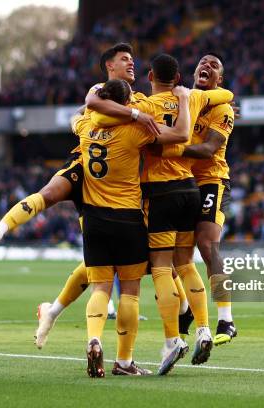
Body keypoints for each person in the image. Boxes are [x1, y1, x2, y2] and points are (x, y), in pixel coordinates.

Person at [0, 43, 158, 349]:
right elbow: (91, 105)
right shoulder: (109, 93)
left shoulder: (109, 103)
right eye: (124, 59)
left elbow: (84, 113)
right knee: (48, 196)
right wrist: (137, 114)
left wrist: (97, 116)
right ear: (109, 66)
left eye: (132, 59)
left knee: (93, 265)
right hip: (92, 173)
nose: (131, 64)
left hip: (102, 177)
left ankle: (52, 312)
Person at [90, 53, 234, 373]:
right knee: (186, 263)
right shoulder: (192, 98)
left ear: (151, 74)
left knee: (161, 268)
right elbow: (226, 94)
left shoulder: (143, 105)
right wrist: (185, 95)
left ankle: (173, 339)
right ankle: (204, 329)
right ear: (179, 77)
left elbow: (101, 108)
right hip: (189, 189)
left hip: (159, 192)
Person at [75, 79, 192, 377]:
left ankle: (93, 338)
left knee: (101, 287)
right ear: (126, 104)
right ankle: (124, 362)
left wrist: (96, 101)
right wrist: (183, 100)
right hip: (128, 217)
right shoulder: (136, 130)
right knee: (130, 292)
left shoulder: (86, 126)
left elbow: (77, 115)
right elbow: (180, 134)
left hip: (93, 218)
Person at [165, 53, 238, 345]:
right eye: (203, 63)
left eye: (214, 65)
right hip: (181, 182)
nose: (206, 66)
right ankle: (185, 308)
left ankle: (226, 319)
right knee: (167, 255)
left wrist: (172, 150)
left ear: (219, 80)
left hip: (211, 182)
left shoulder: (223, 109)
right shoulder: (185, 100)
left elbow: (208, 149)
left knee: (207, 245)